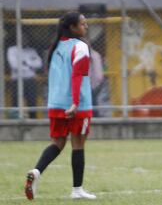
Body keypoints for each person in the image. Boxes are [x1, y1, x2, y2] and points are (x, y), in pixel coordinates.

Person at [24, 11, 96, 200]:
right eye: (82, 24)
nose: (86, 26)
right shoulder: (80, 46)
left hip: (55, 104)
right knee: (78, 145)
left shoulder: (55, 47)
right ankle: (77, 190)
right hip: (77, 106)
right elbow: (77, 75)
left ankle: (36, 171)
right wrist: (75, 102)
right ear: (73, 27)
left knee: (57, 143)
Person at [7, 44, 43, 118]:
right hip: (16, 79)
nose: (25, 40)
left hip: (30, 79)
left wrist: (26, 63)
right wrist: (30, 66)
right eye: (22, 37)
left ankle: (33, 120)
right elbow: (14, 66)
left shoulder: (32, 50)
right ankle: (15, 121)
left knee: (32, 101)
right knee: (15, 101)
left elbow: (39, 64)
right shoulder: (12, 50)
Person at [89, 48, 104, 117]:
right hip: (88, 83)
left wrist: (99, 80)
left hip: (96, 83)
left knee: (93, 99)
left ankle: (96, 115)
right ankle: (95, 115)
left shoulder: (94, 55)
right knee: (93, 100)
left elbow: (98, 73)